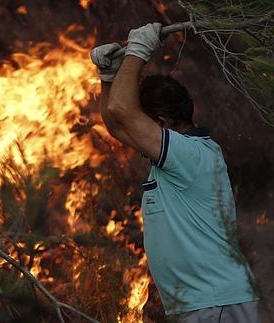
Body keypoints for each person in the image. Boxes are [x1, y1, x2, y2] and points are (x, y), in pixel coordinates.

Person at [91, 23, 259, 321]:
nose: (134, 134)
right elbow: (117, 124)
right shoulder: (174, 156)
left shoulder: (191, 155)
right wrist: (109, 77)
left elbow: (122, 113)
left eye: (142, 123)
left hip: (215, 302)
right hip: (203, 304)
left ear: (161, 122)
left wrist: (138, 51)